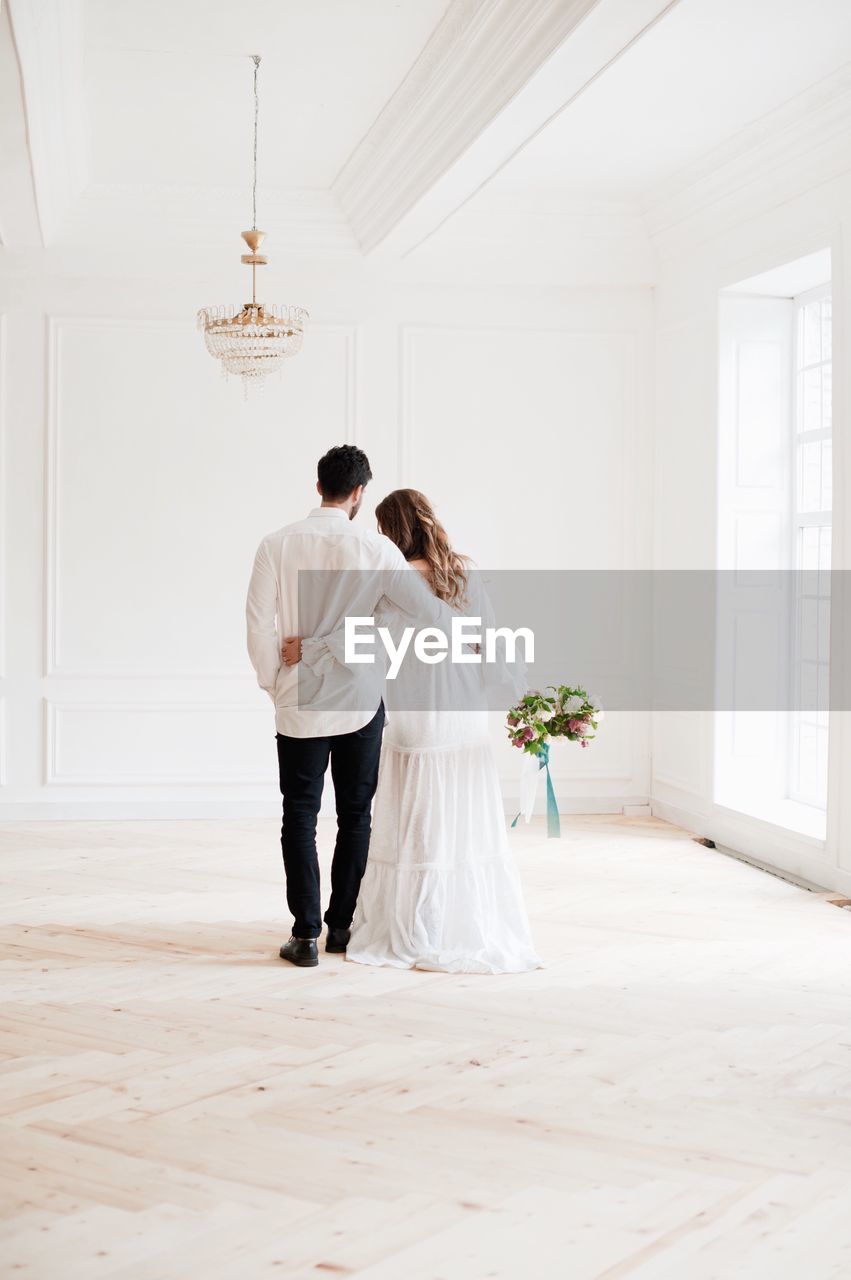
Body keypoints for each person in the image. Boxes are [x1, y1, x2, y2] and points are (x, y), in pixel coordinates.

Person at [286, 488, 541, 975]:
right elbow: (490, 643)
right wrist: (518, 697)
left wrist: (311, 649)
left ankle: (418, 919)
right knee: (457, 815)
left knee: (418, 818)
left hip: (416, 711)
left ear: (392, 530)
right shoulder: (463, 571)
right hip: (463, 712)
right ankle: (455, 918)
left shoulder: (392, 577)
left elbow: (361, 637)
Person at [246, 447, 452, 968]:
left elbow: (258, 626)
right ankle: (341, 927)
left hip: (300, 700)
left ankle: (305, 935)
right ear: (359, 493)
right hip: (361, 701)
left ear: (319, 486)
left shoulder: (277, 543)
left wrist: (277, 682)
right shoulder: (378, 550)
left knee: (300, 815)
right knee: (354, 815)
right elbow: (428, 615)